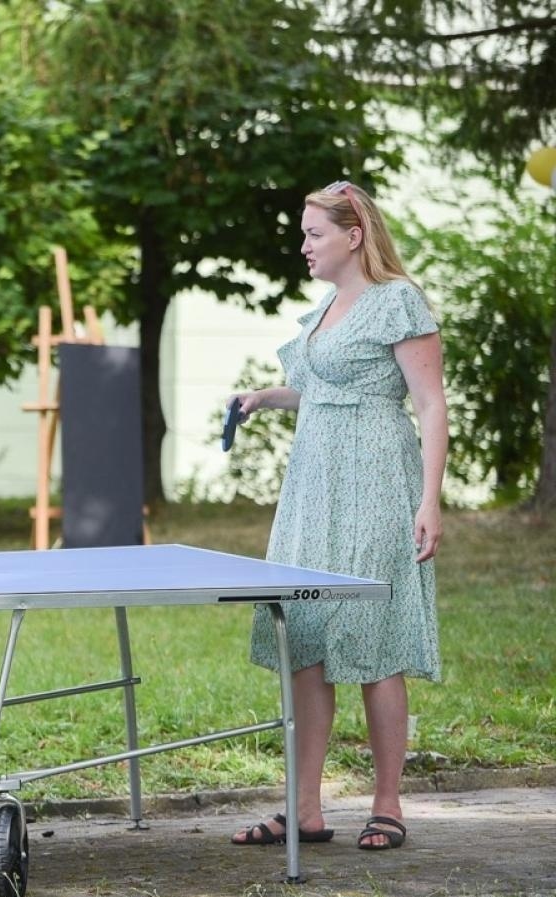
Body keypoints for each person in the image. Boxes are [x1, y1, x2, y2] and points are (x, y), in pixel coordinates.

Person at [229, 180, 446, 853]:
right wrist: (267, 397)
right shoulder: (328, 305)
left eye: (313, 233)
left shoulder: (397, 300)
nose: (303, 245)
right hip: (313, 487)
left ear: (354, 236)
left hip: (377, 481)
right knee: (306, 639)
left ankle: (387, 804)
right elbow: (325, 389)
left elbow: (430, 404)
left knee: (375, 640)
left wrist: (429, 499)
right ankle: (304, 810)